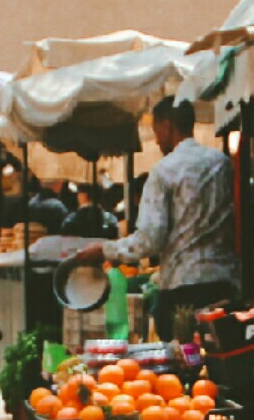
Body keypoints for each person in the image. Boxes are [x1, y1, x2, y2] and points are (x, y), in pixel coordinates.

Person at [94, 98, 237, 340]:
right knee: (218, 358)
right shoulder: (221, 163)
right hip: (223, 283)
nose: (157, 140)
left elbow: (150, 239)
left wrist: (104, 250)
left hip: (184, 290)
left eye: (156, 132)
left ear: (167, 126)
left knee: (184, 364)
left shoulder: (164, 171)